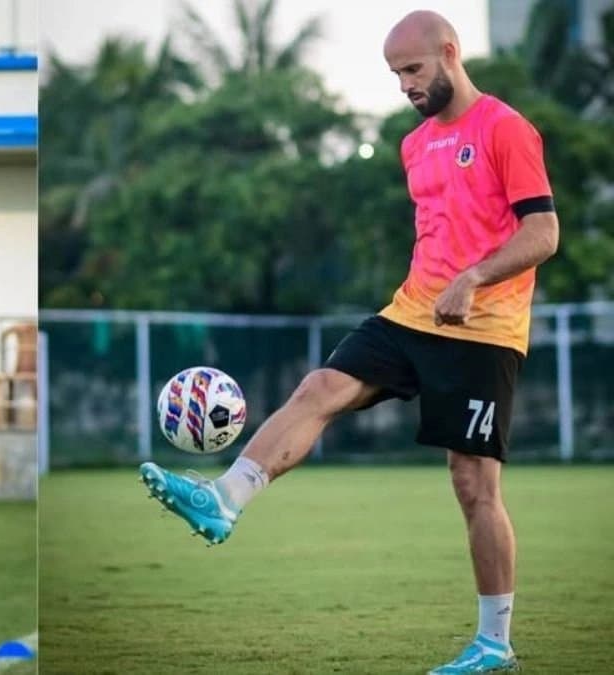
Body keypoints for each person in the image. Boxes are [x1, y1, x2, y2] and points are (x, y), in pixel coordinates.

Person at [140, 11, 557, 675]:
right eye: (395, 75)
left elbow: (544, 233)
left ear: (449, 54)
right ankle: (224, 499)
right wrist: (436, 285)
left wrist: (474, 278)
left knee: (473, 482)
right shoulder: (414, 144)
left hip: (485, 328)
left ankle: (494, 644)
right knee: (319, 387)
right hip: (412, 311)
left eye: (413, 71)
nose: (404, 87)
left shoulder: (505, 128)